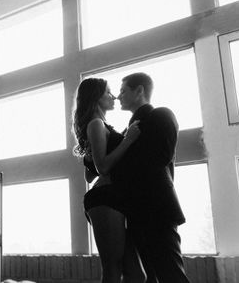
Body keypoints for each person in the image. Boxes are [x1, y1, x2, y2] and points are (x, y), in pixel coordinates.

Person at [114, 72, 189, 283]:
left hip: (157, 210)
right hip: (136, 213)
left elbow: (158, 158)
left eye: (123, 91)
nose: (118, 97)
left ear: (139, 91)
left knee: (171, 275)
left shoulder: (161, 115)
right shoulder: (126, 133)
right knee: (151, 278)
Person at [72, 78, 145, 283]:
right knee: (112, 270)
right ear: (96, 97)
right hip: (105, 199)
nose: (113, 96)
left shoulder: (100, 125)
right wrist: (128, 140)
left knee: (137, 275)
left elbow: (90, 174)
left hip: (114, 198)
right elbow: (102, 167)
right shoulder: (96, 124)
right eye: (108, 92)